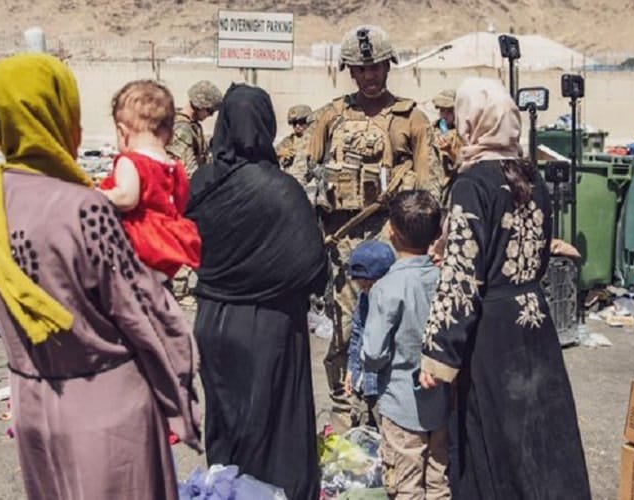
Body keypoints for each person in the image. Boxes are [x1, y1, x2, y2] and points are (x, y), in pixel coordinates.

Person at [0, 53, 200, 500]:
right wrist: (180, 396)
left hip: (32, 402)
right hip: (107, 405)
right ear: (60, 114)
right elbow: (144, 313)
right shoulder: (82, 206)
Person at [419, 77, 591, 499]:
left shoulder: (471, 184)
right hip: (535, 322)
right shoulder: (531, 179)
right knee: (540, 434)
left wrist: (438, 354)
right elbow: (539, 249)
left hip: (491, 330)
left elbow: (461, 276)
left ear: (471, 122)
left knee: (491, 438)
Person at [186, 83, 327, 500]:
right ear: (266, 124)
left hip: (214, 319)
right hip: (272, 324)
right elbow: (312, 267)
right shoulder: (282, 190)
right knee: (275, 419)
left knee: (227, 417)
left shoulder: (201, 184)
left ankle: (227, 490)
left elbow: (188, 245)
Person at [308, 24, 442, 422]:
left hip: (394, 237)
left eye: (376, 67)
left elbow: (430, 185)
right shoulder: (330, 117)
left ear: (388, 67)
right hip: (343, 238)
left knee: (396, 322)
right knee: (346, 324)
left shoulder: (412, 119)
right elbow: (305, 173)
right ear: (350, 70)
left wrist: (428, 243)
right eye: (361, 69)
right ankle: (347, 401)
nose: (369, 76)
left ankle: (388, 402)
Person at [363, 189, 450, 499]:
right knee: (438, 483)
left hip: (401, 405)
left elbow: (373, 353)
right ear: (438, 233)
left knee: (405, 487)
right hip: (442, 403)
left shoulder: (387, 287)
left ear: (391, 231)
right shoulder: (446, 279)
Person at [98, 80, 201, 279]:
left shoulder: (131, 162)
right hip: (167, 248)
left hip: (138, 247)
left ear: (122, 132)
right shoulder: (174, 167)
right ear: (170, 134)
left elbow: (127, 198)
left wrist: (97, 194)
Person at [344, 240, 396, 429]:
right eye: (361, 286)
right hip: (364, 382)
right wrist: (351, 369)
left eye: (369, 285)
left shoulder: (393, 302)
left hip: (384, 386)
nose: (366, 290)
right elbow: (357, 332)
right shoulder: (364, 299)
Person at [168, 80, 223, 177]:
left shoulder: (194, 126)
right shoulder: (182, 129)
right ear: (200, 106)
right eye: (210, 111)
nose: (211, 115)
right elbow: (189, 170)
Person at [431, 89, 463, 199]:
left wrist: (450, 151)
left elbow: (462, 163)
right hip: (432, 186)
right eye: (442, 111)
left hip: (452, 188)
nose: (445, 115)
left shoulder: (462, 133)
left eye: (449, 111)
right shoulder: (430, 131)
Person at [276, 104, 313, 184]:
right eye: (294, 123)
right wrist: (280, 154)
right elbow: (270, 154)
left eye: (301, 122)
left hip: (309, 185)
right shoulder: (288, 141)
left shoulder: (315, 140)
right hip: (290, 184)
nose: (297, 126)